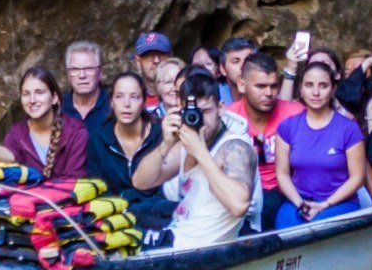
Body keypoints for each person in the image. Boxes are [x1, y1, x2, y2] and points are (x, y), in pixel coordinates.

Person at [145, 68, 256, 251]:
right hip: (176, 236)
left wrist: (200, 152)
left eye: (205, 111)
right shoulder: (185, 142)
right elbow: (142, 182)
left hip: (200, 250)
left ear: (220, 108)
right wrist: (165, 145)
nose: (200, 119)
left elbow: (239, 206)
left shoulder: (235, 147)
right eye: (193, 112)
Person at [271, 57, 372, 229]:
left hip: (338, 202)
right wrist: (300, 203)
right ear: (301, 89)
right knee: (285, 226)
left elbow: (357, 178)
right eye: (309, 85)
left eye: (323, 86)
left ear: (333, 89)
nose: (315, 92)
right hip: (298, 201)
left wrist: (325, 204)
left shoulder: (348, 129)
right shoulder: (288, 127)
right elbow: (282, 174)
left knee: (321, 227)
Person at [87, 70, 170, 225]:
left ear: (144, 101)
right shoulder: (98, 139)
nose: (126, 104)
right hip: (116, 221)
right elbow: (98, 191)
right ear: (111, 101)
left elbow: (167, 188)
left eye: (134, 97)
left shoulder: (161, 134)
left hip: (159, 217)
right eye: (119, 96)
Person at [4, 65, 90, 182]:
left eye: (39, 92)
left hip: (65, 199)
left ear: (54, 98)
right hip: (25, 199)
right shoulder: (16, 134)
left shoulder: (76, 133)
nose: (32, 100)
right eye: (26, 94)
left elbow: (73, 182)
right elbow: (9, 176)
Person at [236, 49, 290, 212]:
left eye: (273, 86)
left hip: (286, 194)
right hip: (243, 195)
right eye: (260, 86)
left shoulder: (296, 115)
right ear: (242, 85)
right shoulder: (228, 119)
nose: (269, 93)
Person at [64, 40, 115, 153]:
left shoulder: (114, 106)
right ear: (68, 75)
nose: (82, 75)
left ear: (100, 72)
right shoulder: (57, 108)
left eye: (89, 68)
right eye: (75, 69)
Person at [216, 35, 258, 106]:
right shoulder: (214, 97)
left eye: (247, 61)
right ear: (223, 69)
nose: (242, 66)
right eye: (235, 61)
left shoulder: (268, 95)